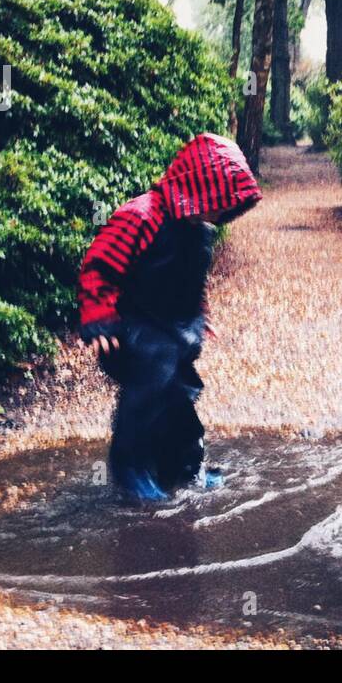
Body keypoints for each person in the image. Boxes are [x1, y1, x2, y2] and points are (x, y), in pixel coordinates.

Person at [77, 133, 261, 501]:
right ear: (198, 189)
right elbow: (99, 266)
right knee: (150, 389)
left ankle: (185, 467)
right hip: (132, 329)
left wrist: (199, 315)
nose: (219, 213)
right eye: (217, 203)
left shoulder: (199, 231)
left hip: (174, 330)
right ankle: (131, 467)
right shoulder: (141, 216)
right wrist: (99, 315)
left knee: (181, 398)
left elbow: (190, 280)